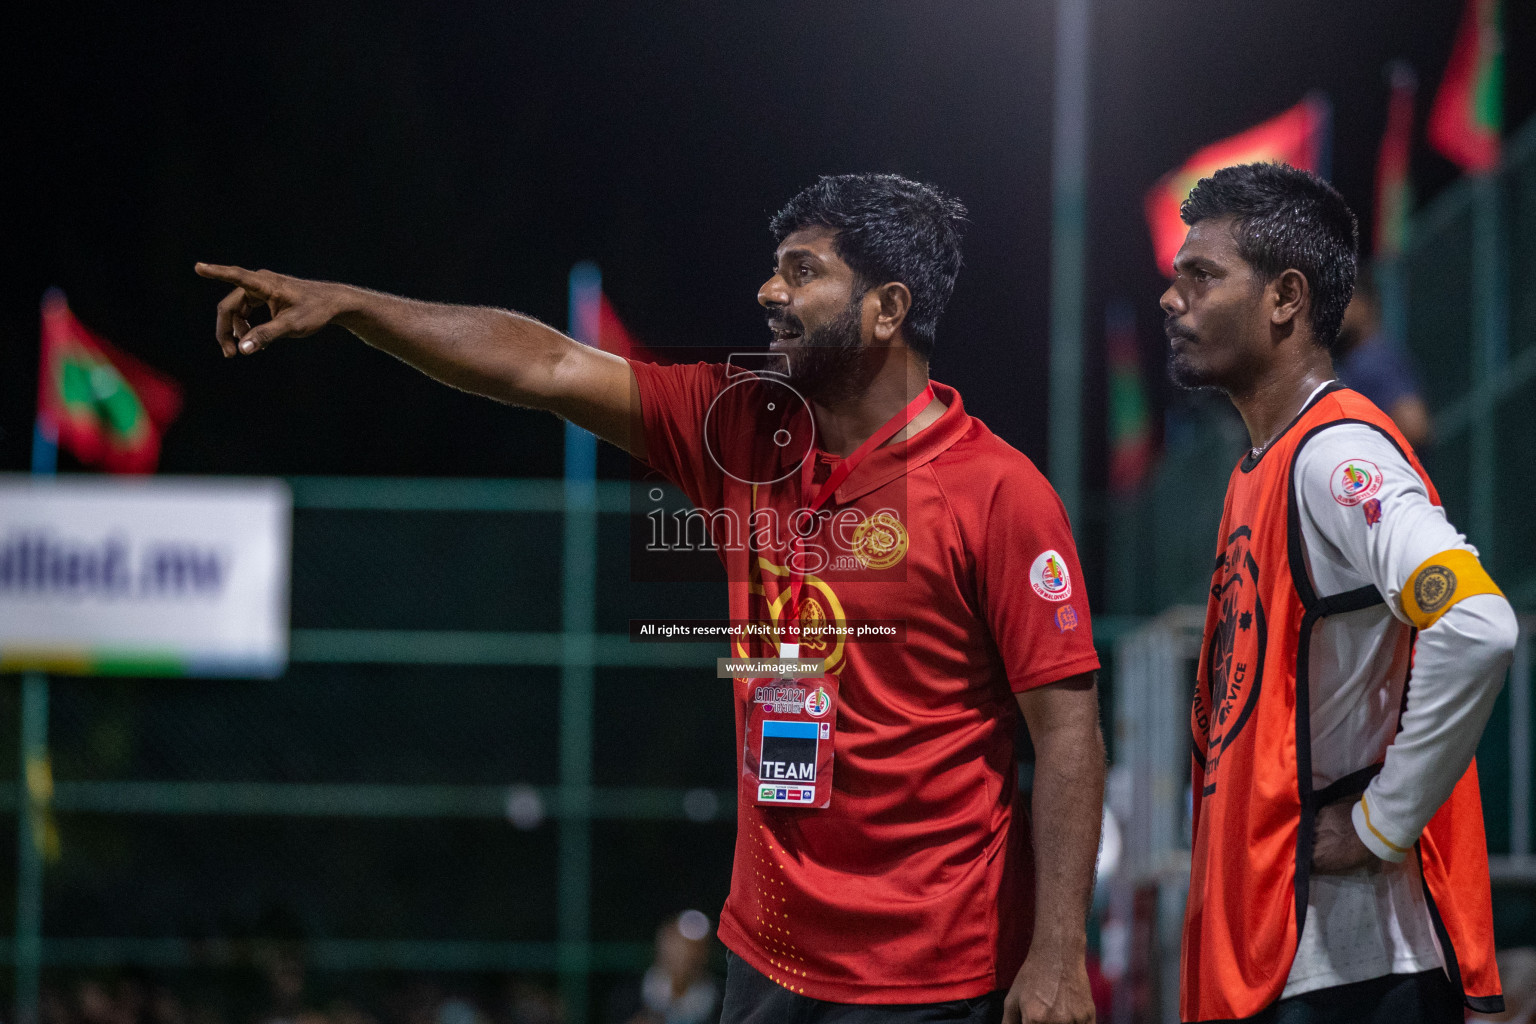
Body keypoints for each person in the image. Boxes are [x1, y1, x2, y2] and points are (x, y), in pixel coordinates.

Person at [196, 173, 1105, 1024]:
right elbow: (544, 366)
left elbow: (1067, 735)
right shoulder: (739, 428)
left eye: (803, 271)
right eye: (773, 267)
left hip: (933, 977)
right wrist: (355, 308)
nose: (767, 292)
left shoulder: (998, 492)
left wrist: (1060, 952)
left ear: (887, 310)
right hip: (770, 957)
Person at [1159, 162, 1517, 1023]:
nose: (1173, 299)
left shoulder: (1333, 457)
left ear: (1286, 297)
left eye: (1201, 276)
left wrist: (1377, 827)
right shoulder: (1266, 460)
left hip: (1352, 969)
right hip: (1292, 954)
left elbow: (1478, 622)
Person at [1335, 268, 1431, 448]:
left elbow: (1414, 427)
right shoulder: (1353, 363)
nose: (1332, 311)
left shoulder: (1373, 359)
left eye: (1341, 301)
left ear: (1364, 304)